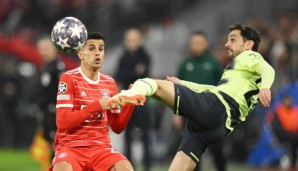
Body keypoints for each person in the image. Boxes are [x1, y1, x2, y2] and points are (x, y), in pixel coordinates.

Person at [108, 23, 275, 171]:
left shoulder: (249, 56)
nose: (226, 44)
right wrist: (182, 83)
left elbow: (268, 69)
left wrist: (266, 87)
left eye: (233, 39)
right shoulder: (243, 73)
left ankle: (128, 95)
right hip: (219, 127)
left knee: (151, 84)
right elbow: (213, 89)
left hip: (215, 108)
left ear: (249, 44)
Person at [50, 32, 135, 171]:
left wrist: (129, 104)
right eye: (91, 48)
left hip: (100, 148)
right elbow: (62, 122)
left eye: (101, 49)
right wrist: (97, 105)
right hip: (72, 148)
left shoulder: (109, 82)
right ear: (80, 54)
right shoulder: (68, 79)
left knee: (125, 168)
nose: (97, 53)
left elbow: (117, 127)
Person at [174, 30, 225, 171]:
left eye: (200, 43)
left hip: (211, 114)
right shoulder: (185, 65)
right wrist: (177, 115)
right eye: (194, 43)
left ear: (206, 44)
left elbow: (223, 89)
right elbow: (177, 90)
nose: (197, 46)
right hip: (190, 114)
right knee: (192, 152)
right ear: (190, 45)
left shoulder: (214, 64)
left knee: (217, 150)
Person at [115, 28, 152, 171]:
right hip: (127, 102)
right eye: (129, 39)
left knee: (145, 136)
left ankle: (147, 166)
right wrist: (134, 73)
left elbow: (143, 75)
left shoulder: (145, 56)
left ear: (140, 40)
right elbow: (120, 75)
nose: (132, 42)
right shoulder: (123, 57)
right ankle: (129, 166)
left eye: (134, 39)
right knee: (128, 137)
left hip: (142, 101)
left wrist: (129, 74)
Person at [36, 37, 66, 161]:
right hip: (47, 111)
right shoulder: (45, 67)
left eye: (46, 48)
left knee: (57, 146)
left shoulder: (58, 68)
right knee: (50, 144)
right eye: (41, 49)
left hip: (56, 112)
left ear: (54, 50)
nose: (43, 52)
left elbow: (63, 92)